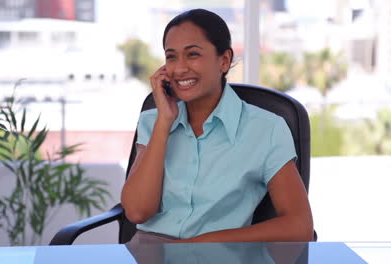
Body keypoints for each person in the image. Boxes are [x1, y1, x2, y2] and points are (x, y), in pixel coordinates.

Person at [121, 9, 313, 244]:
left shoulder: (265, 129)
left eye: (192, 54)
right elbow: (137, 212)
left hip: (222, 253)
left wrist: (210, 241)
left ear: (224, 60)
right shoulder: (153, 121)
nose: (179, 68)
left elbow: (298, 225)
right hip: (149, 254)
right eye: (171, 57)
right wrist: (164, 124)